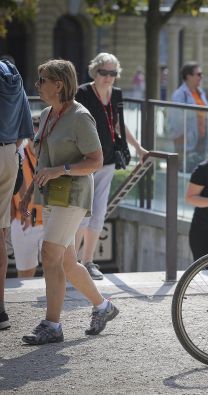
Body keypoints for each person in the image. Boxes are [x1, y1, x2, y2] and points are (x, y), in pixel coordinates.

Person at [20, 59, 118, 345]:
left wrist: (60, 171)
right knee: (67, 261)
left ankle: (52, 324)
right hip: (53, 194)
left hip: (73, 194)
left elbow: (96, 161)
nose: (37, 85)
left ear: (58, 84)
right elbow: (43, 160)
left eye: (42, 80)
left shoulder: (80, 116)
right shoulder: (49, 113)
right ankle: (103, 307)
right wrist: (29, 193)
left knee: (49, 254)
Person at [74, 53, 148, 280]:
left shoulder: (116, 95)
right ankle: (71, 263)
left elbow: (118, 124)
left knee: (98, 213)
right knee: (81, 213)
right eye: (104, 72)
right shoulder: (83, 93)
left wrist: (138, 148)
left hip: (107, 159)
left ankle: (87, 262)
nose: (108, 78)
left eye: (113, 73)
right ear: (94, 71)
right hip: (85, 160)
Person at [0, 57, 34, 330]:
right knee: (1, 232)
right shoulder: (14, 77)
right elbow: (25, 131)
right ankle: (0, 310)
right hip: (10, 154)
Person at [10, 114, 44, 278]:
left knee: (56, 270)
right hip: (24, 222)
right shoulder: (18, 155)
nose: (36, 143)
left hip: (49, 222)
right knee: (25, 274)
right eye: (33, 138)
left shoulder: (53, 156)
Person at [169, 61, 208, 171]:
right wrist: (181, 143)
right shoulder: (179, 94)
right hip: (187, 144)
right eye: (198, 74)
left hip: (201, 143)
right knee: (185, 173)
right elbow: (176, 121)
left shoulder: (201, 92)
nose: (201, 77)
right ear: (188, 76)